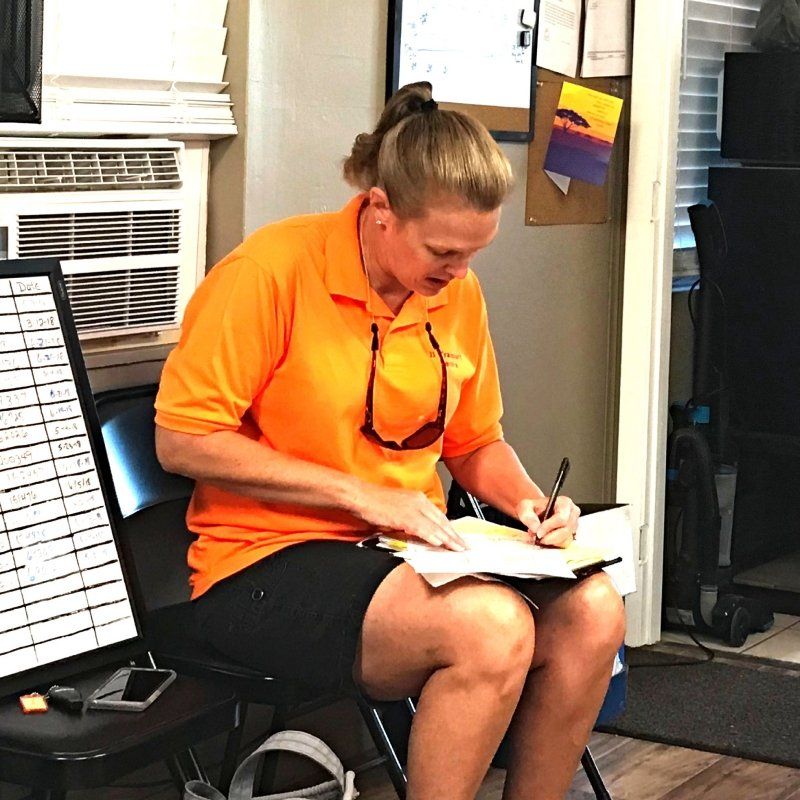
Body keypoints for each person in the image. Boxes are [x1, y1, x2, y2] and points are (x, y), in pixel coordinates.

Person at [154, 81, 625, 800]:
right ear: (380, 210)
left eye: (474, 254)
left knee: (594, 611)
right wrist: (364, 497)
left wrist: (532, 504)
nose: (458, 272)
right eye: (442, 251)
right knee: (490, 626)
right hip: (260, 563)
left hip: (405, 551)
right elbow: (183, 440)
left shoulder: (453, 292)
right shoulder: (269, 272)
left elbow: (475, 443)